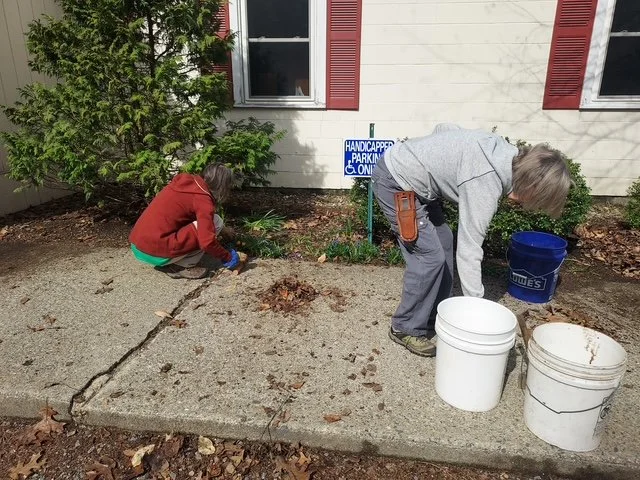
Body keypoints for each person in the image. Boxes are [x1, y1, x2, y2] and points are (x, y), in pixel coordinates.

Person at [371, 124, 571, 357]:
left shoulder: (503, 152)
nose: (532, 205)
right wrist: (477, 310)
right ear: (532, 185)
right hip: (396, 181)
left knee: (444, 243)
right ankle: (404, 327)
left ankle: (433, 315)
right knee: (429, 257)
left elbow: (444, 128)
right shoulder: (486, 180)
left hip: (420, 186)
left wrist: (434, 160)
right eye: (538, 198)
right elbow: (469, 250)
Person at [129, 163, 240, 279]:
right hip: (155, 254)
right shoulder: (203, 201)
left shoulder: (187, 183)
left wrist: (224, 231)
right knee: (215, 222)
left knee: (212, 222)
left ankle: (175, 258)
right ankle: (182, 265)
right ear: (222, 187)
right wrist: (227, 257)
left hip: (138, 246)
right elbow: (206, 242)